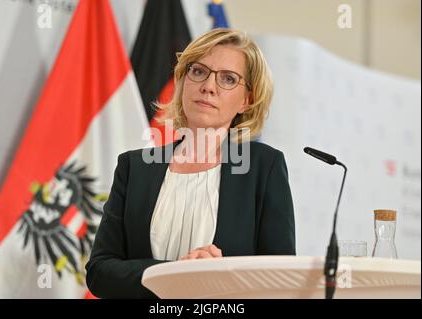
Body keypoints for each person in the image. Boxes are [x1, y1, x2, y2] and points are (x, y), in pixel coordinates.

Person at [85, 28, 295, 299]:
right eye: (198, 72)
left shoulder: (264, 168)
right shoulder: (134, 167)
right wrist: (176, 274)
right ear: (183, 82)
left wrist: (221, 277)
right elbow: (100, 273)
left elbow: (280, 279)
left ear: (246, 100)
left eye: (228, 79)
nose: (208, 86)